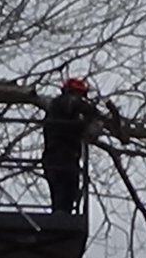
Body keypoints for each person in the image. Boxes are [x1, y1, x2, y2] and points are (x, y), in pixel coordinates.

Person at [42, 77, 102, 213]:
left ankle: (61, 216)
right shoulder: (63, 102)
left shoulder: (62, 111)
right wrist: (94, 115)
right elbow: (76, 105)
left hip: (63, 156)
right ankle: (61, 217)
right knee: (63, 188)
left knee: (67, 192)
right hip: (59, 155)